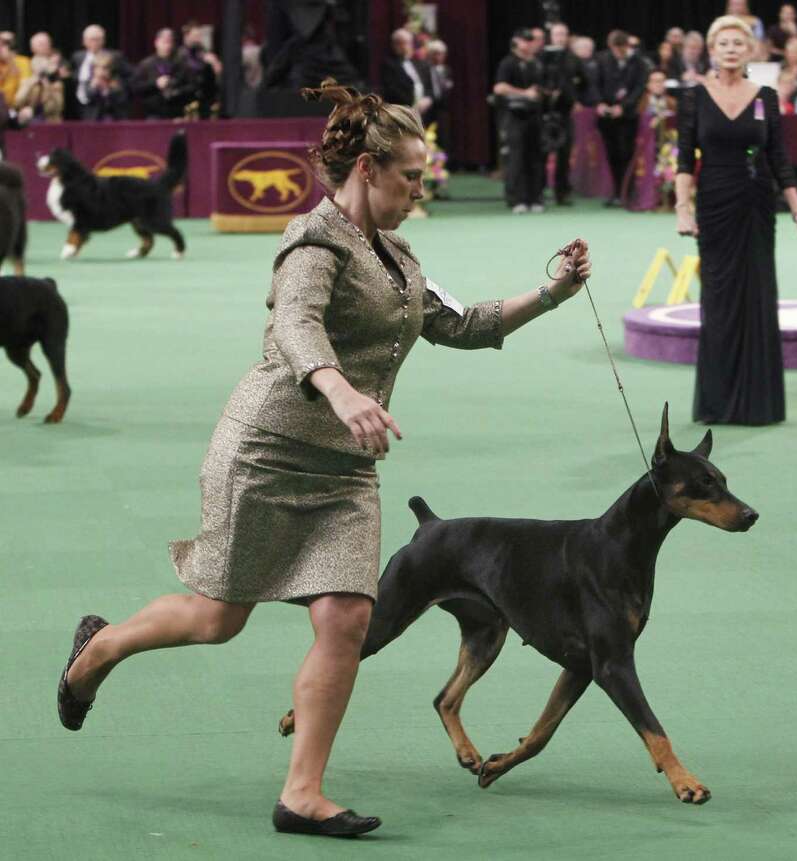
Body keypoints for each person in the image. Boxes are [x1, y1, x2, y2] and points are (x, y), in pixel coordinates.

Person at [57, 76, 593, 839]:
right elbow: (297, 328)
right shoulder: (311, 241)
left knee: (347, 617)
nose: (420, 188)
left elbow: (462, 322)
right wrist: (341, 392)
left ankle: (302, 792)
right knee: (217, 619)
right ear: (368, 169)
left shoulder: (401, 256)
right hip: (268, 453)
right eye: (410, 176)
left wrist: (552, 293)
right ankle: (98, 649)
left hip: (346, 470)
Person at [673, 16, 797, 426]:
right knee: (717, 299)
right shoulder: (694, 99)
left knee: (757, 297)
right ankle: (717, 403)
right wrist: (683, 209)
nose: (731, 49)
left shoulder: (765, 97)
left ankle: (758, 404)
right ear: (712, 51)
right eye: (724, 43)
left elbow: (779, 159)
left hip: (756, 206)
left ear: (750, 50)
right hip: (714, 206)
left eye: (738, 43)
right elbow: (684, 162)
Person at [493, 29, 545, 214]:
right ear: (516, 42)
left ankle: (536, 198)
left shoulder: (537, 64)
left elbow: (541, 87)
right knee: (517, 158)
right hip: (514, 117)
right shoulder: (508, 63)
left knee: (536, 157)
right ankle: (517, 199)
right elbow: (499, 88)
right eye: (526, 40)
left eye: (532, 41)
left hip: (534, 116)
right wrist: (524, 93)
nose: (530, 44)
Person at [596, 30, 648, 207]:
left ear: (627, 46)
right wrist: (600, 103)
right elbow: (594, 83)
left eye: (621, 49)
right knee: (612, 155)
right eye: (614, 49)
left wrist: (624, 107)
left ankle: (628, 192)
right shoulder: (602, 59)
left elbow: (640, 88)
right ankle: (616, 192)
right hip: (606, 116)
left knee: (627, 153)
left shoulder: (639, 62)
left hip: (627, 116)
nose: (618, 53)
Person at [540, 22, 584, 205]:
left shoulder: (573, 59)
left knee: (564, 154)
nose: (560, 37)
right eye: (557, 34)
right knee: (541, 153)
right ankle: (538, 191)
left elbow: (584, 82)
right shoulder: (540, 56)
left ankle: (562, 193)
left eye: (563, 34)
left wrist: (574, 98)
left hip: (565, 112)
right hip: (543, 112)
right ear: (551, 36)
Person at [131, 28, 190, 119]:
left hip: (176, 113)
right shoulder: (146, 64)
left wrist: (175, 88)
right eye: (164, 42)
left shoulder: (180, 63)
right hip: (153, 114)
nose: (168, 46)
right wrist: (155, 84)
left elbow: (189, 85)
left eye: (170, 42)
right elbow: (136, 87)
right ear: (156, 42)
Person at [381, 29, 434, 123]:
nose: (404, 46)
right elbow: (392, 90)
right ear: (394, 45)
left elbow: (429, 87)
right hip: (402, 113)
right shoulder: (389, 65)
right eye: (400, 43)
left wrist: (428, 99)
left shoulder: (419, 63)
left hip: (424, 113)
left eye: (407, 43)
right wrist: (412, 107)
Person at [179, 22, 220, 117]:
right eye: (195, 36)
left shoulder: (202, 51)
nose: (198, 39)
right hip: (186, 99)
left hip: (205, 99)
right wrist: (205, 61)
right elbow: (190, 68)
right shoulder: (180, 53)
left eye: (199, 36)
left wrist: (215, 65)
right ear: (186, 36)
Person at [80, 55, 129, 120]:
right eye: (98, 68)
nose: (101, 71)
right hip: (94, 120)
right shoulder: (88, 82)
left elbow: (122, 99)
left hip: (115, 119)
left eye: (105, 68)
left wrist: (108, 89)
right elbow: (88, 98)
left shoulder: (118, 82)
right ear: (93, 69)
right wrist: (94, 86)